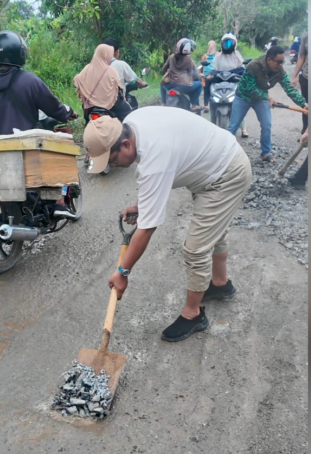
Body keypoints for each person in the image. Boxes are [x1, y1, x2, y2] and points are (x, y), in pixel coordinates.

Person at [84, 108, 253, 341]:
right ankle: (221, 284)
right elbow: (159, 180)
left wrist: (122, 272)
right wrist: (144, 206)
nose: (112, 167)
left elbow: (147, 229)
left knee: (196, 248)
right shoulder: (133, 123)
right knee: (213, 231)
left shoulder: (155, 155)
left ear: (124, 144)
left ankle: (193, 315)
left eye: (112, 161)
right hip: (215, 162)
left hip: (227, 174)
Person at [0, 30, 79, 218]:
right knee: (60, 150)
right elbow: (53, 106)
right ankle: (58, 202)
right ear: (18, 53)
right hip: (26, 147)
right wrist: (68, 113)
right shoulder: (29, 80)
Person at [227, 45, 308, 162]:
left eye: (283, 62)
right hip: (243, 97)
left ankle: (266, 153)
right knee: (233, 126)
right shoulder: (253, 66)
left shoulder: (279, 70)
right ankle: (224, 152)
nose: (281, 65)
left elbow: (289, 88)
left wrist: (303, 104)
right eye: (278, 62)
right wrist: (268, 98)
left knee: (266, 125)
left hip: (261, 99)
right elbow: (250, 88)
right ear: (269, 60)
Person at [74, 44, 132, 123]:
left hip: (90, 108)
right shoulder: (111, 70)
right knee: (128, 115)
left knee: (87, 122)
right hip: (110, 107)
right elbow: (118, 88)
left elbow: (78, 81)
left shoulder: (86, 68)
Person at [210, 33, 248, 138]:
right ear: (221, 44)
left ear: (235, 44)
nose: (227, 45)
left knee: (240, 101)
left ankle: (244, 128)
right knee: (212, 101)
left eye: (230, 42)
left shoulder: (237, 55)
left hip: (234, 82)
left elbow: (242, 67)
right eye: (225, 42)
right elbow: (213, 68)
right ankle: (211, 125)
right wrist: (210, 75)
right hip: (220, 83)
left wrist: (241, 74)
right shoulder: (218, 56)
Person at [160, 38, 203, 112]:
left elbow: (163, 69)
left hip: (171, 84)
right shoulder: (189, 60)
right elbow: (194, 74)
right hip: (184, 86)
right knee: (199, 85)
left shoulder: (171, 57)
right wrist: (200, 76)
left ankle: (163, 103)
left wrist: (167, 73)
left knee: (162, 83)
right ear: (188, 48)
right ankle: (194, 105)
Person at [290, 31, 308, 134]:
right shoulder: (307, 36)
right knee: (306, 105)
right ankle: (305, 131)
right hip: (307, 77)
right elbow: (301, 57)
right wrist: (294, 76)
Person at [200, 40, 216, 109]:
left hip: (207, 75)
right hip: (215, 74)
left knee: (206, 90)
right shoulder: (218, 54)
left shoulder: (205, 56)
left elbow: (201, 67)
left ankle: (206, 105)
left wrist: (202, 74)